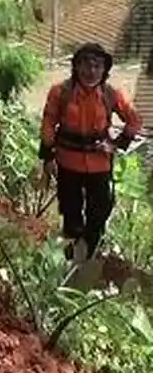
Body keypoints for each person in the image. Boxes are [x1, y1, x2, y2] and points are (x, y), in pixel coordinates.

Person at [39, 42, 142, 261]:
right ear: (76, 67)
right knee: (70, 210)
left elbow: (134, 120)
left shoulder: (111, 95)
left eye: (97, 66)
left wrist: (117, 143)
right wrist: (47, 155)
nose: (91, 71)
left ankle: (87, 252)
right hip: (68, 162)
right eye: (85, 65)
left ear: (104, 70)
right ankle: (70, 255)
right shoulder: (61, 92)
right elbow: (48, 123)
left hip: (100, 163)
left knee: (100, 211)